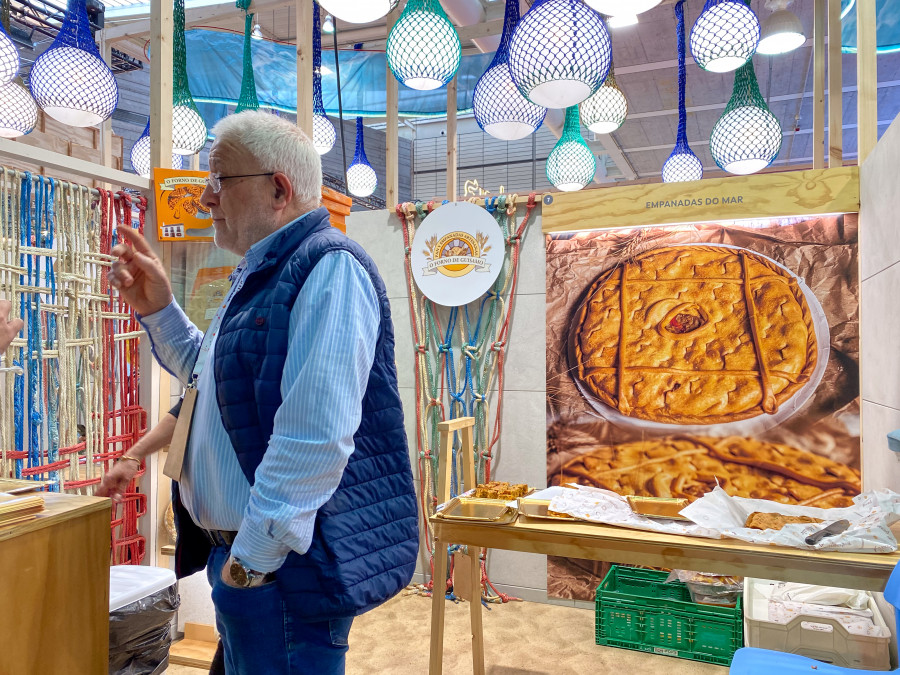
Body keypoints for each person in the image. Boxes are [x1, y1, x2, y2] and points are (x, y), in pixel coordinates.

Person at [107, 110, 419, 675]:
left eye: (218, 181)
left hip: (279, 573)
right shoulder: (264, 274)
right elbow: (211, 378)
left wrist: (248, 566)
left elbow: (314, 437)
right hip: (252, 565)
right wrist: (158, 308)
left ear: (278, 189)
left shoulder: (329, 267)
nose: (206, 200)